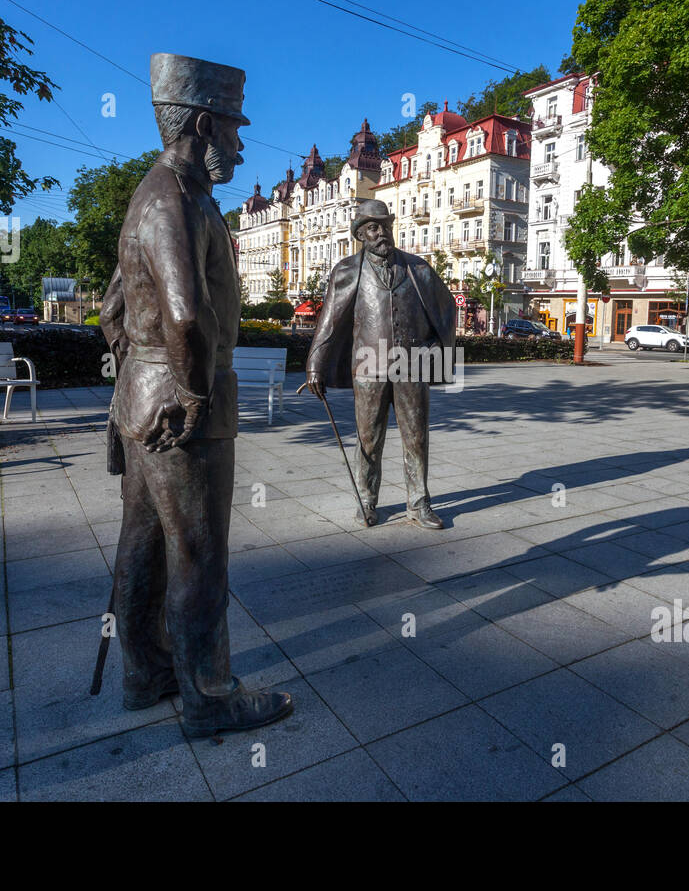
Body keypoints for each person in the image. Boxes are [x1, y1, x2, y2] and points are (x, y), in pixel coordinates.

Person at [99, 53, 292, 739]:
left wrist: (133, 384)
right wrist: (194, 391)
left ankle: (146, 673)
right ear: (205, 124)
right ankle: (209, 698)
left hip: (144, 393)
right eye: (236, 131)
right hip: (182, 397)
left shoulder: (153, 195)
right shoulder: (174, 199)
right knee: (199, 553)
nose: (240, 145)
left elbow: (112, 309)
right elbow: (184, 315)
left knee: (144, 544)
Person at [305, 199, 457, 529]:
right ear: (360, 234)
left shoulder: (418, 269)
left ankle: (419, 502)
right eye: (373, 228)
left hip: (411, 366)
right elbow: (329, 322)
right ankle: (367, 500)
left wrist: (434, 347)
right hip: (368, 367)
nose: (381, 233)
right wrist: (315, 365)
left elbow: (447, 311)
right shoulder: (347, 270)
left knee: (416, 437)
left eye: (385, 226)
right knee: (368, 439)